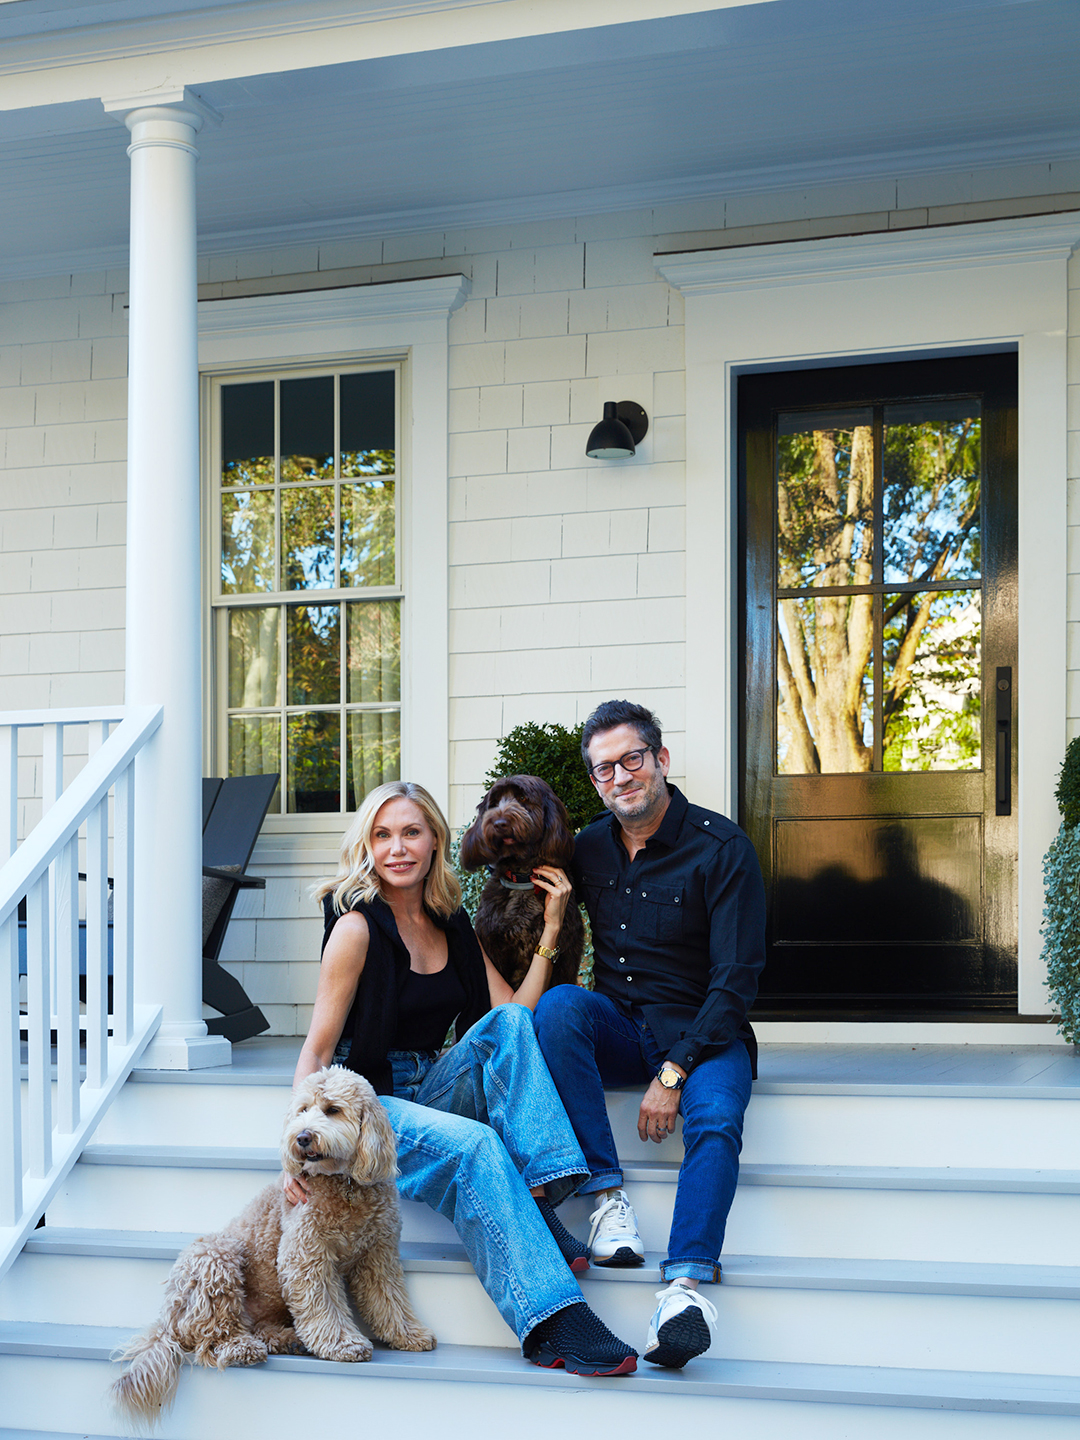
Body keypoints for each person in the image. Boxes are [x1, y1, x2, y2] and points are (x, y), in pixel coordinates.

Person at [286, 779, 637, 1376]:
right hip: (372, 1103)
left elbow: (514, 1019)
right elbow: (317, 1051)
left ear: (434, 843)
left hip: (434, 1082)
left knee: (507, 1028)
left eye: (411, 833)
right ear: (367, 844)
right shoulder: (355, 926)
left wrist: (552, 931)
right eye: (382, 834)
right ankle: (553, 1321)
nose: (397, 848)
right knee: (477, 1145)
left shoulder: (450, 922)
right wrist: (296, 1151)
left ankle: (541, 1191)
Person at [533, 701, 766, 1370]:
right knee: (559, 1010)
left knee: (717, 1119)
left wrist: (673, 1075)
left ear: (661, 761)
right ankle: (607, 1198)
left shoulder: (722, 849)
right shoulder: (587, 847)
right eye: (604, 768)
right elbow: (510, 885)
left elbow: (735, 982)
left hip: (705, 1032)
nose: (620, 776)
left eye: (632, 759)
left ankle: (684, 1291)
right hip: (621, 1026)